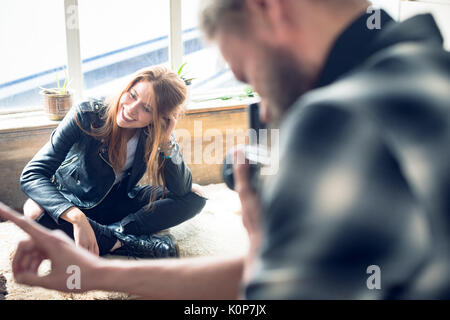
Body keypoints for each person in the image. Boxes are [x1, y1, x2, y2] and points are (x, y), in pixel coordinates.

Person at [1, 0, 449, 299]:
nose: (267, 112)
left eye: (250, 74)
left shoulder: (335, 120)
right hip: (76, 203)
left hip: (119, 209)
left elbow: (264, 298)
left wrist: (261, 244)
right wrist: (92, 264)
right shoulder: (431, 69)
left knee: (193, 199)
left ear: (268, 10)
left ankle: (115, 236)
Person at [18, 66, 207, 258]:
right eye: (133, 95)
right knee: (33, 211)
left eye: (147, 108)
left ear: (159, 118)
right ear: (126, 88)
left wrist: (166, 140)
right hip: (76, 199)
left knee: (195, 194)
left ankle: (113, 235)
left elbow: (181, 188)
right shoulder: (87, 113)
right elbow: (32, 174)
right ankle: (128, 243)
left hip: (119, 199)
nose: (131, 109)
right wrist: (75, 217)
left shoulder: (154, 131)